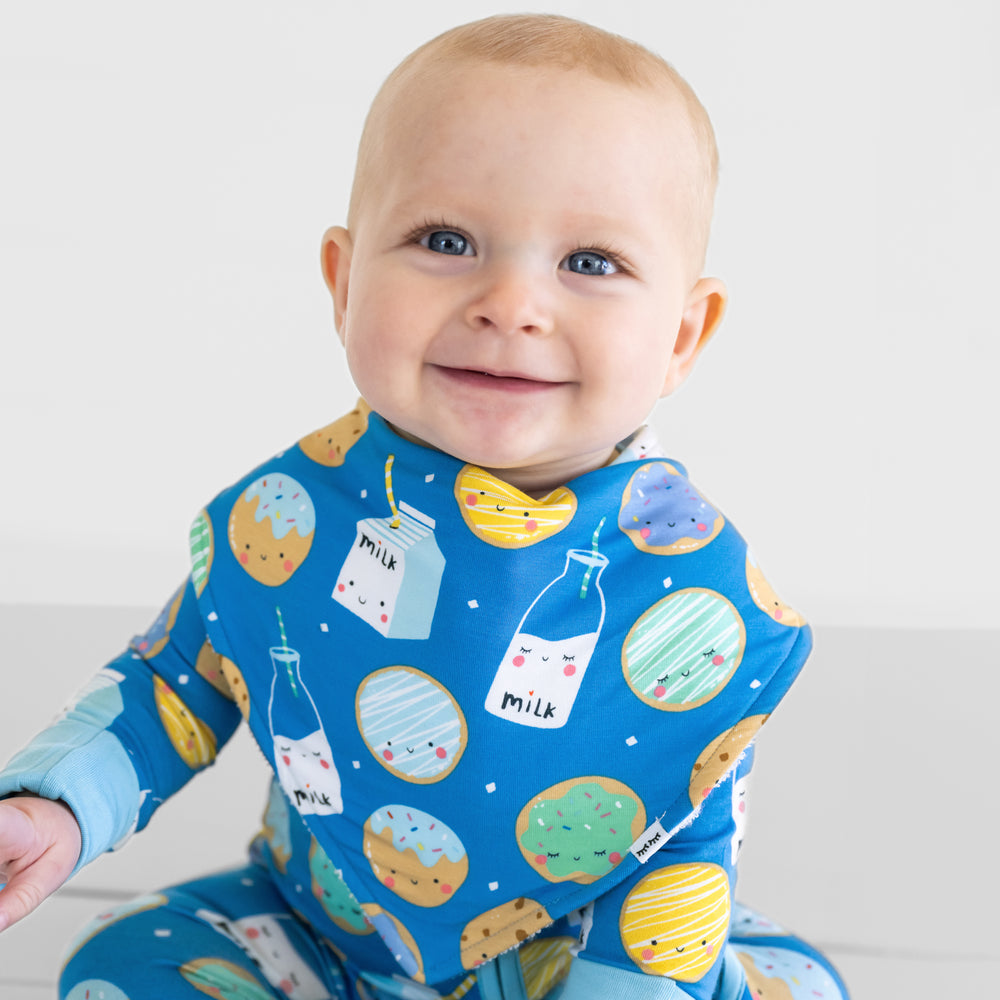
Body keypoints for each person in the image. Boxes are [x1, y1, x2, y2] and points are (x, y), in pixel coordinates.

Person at [0, 13, 849, 1000]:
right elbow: (176, 682)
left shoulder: (690, 590)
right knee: (121, 966)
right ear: (344, 280)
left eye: (589, 263)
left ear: (681, 335)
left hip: (576, 957)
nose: (510, 303)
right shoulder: (291, 516)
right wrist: (55, 807)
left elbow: (681, 828)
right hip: (322, 930)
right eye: (446, 240)